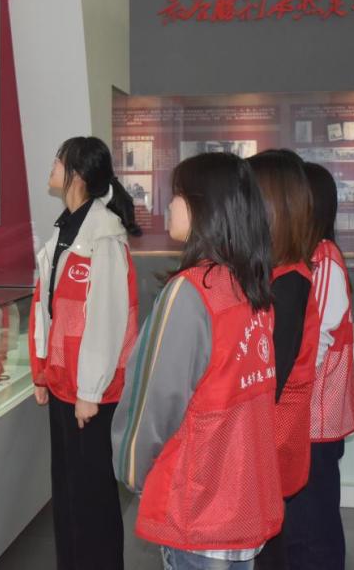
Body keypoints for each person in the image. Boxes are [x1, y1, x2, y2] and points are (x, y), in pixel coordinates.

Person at [112, 153, 282, 570]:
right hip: (242, 503)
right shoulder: (250, 286)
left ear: (205, 207)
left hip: (197, 504)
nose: (168, 206)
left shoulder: (190, 292)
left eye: (177, 195)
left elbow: (154, 401)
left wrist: (132, 469)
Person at [28, 136, 142, 570]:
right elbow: (48, 309)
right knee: (68, 493)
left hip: (90, 393)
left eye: (58, 160)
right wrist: (42, 372)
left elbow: (107, 320)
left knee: (92, 497)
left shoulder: (105, 235)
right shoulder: (64, 229)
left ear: (76, 173)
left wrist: (90, 392)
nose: (52, 167)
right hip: (63, 384)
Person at [279, 162, 354, 570]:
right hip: (300, 419)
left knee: (314, 528)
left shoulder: (324, 260)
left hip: (314, 422)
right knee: (299, 526)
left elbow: (316, 345)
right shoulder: (305, 257)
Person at [248, 149, 320, 570]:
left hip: (268, 445)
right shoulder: (277, 273)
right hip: (264, 444)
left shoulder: (289, 283)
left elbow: (267, 380)